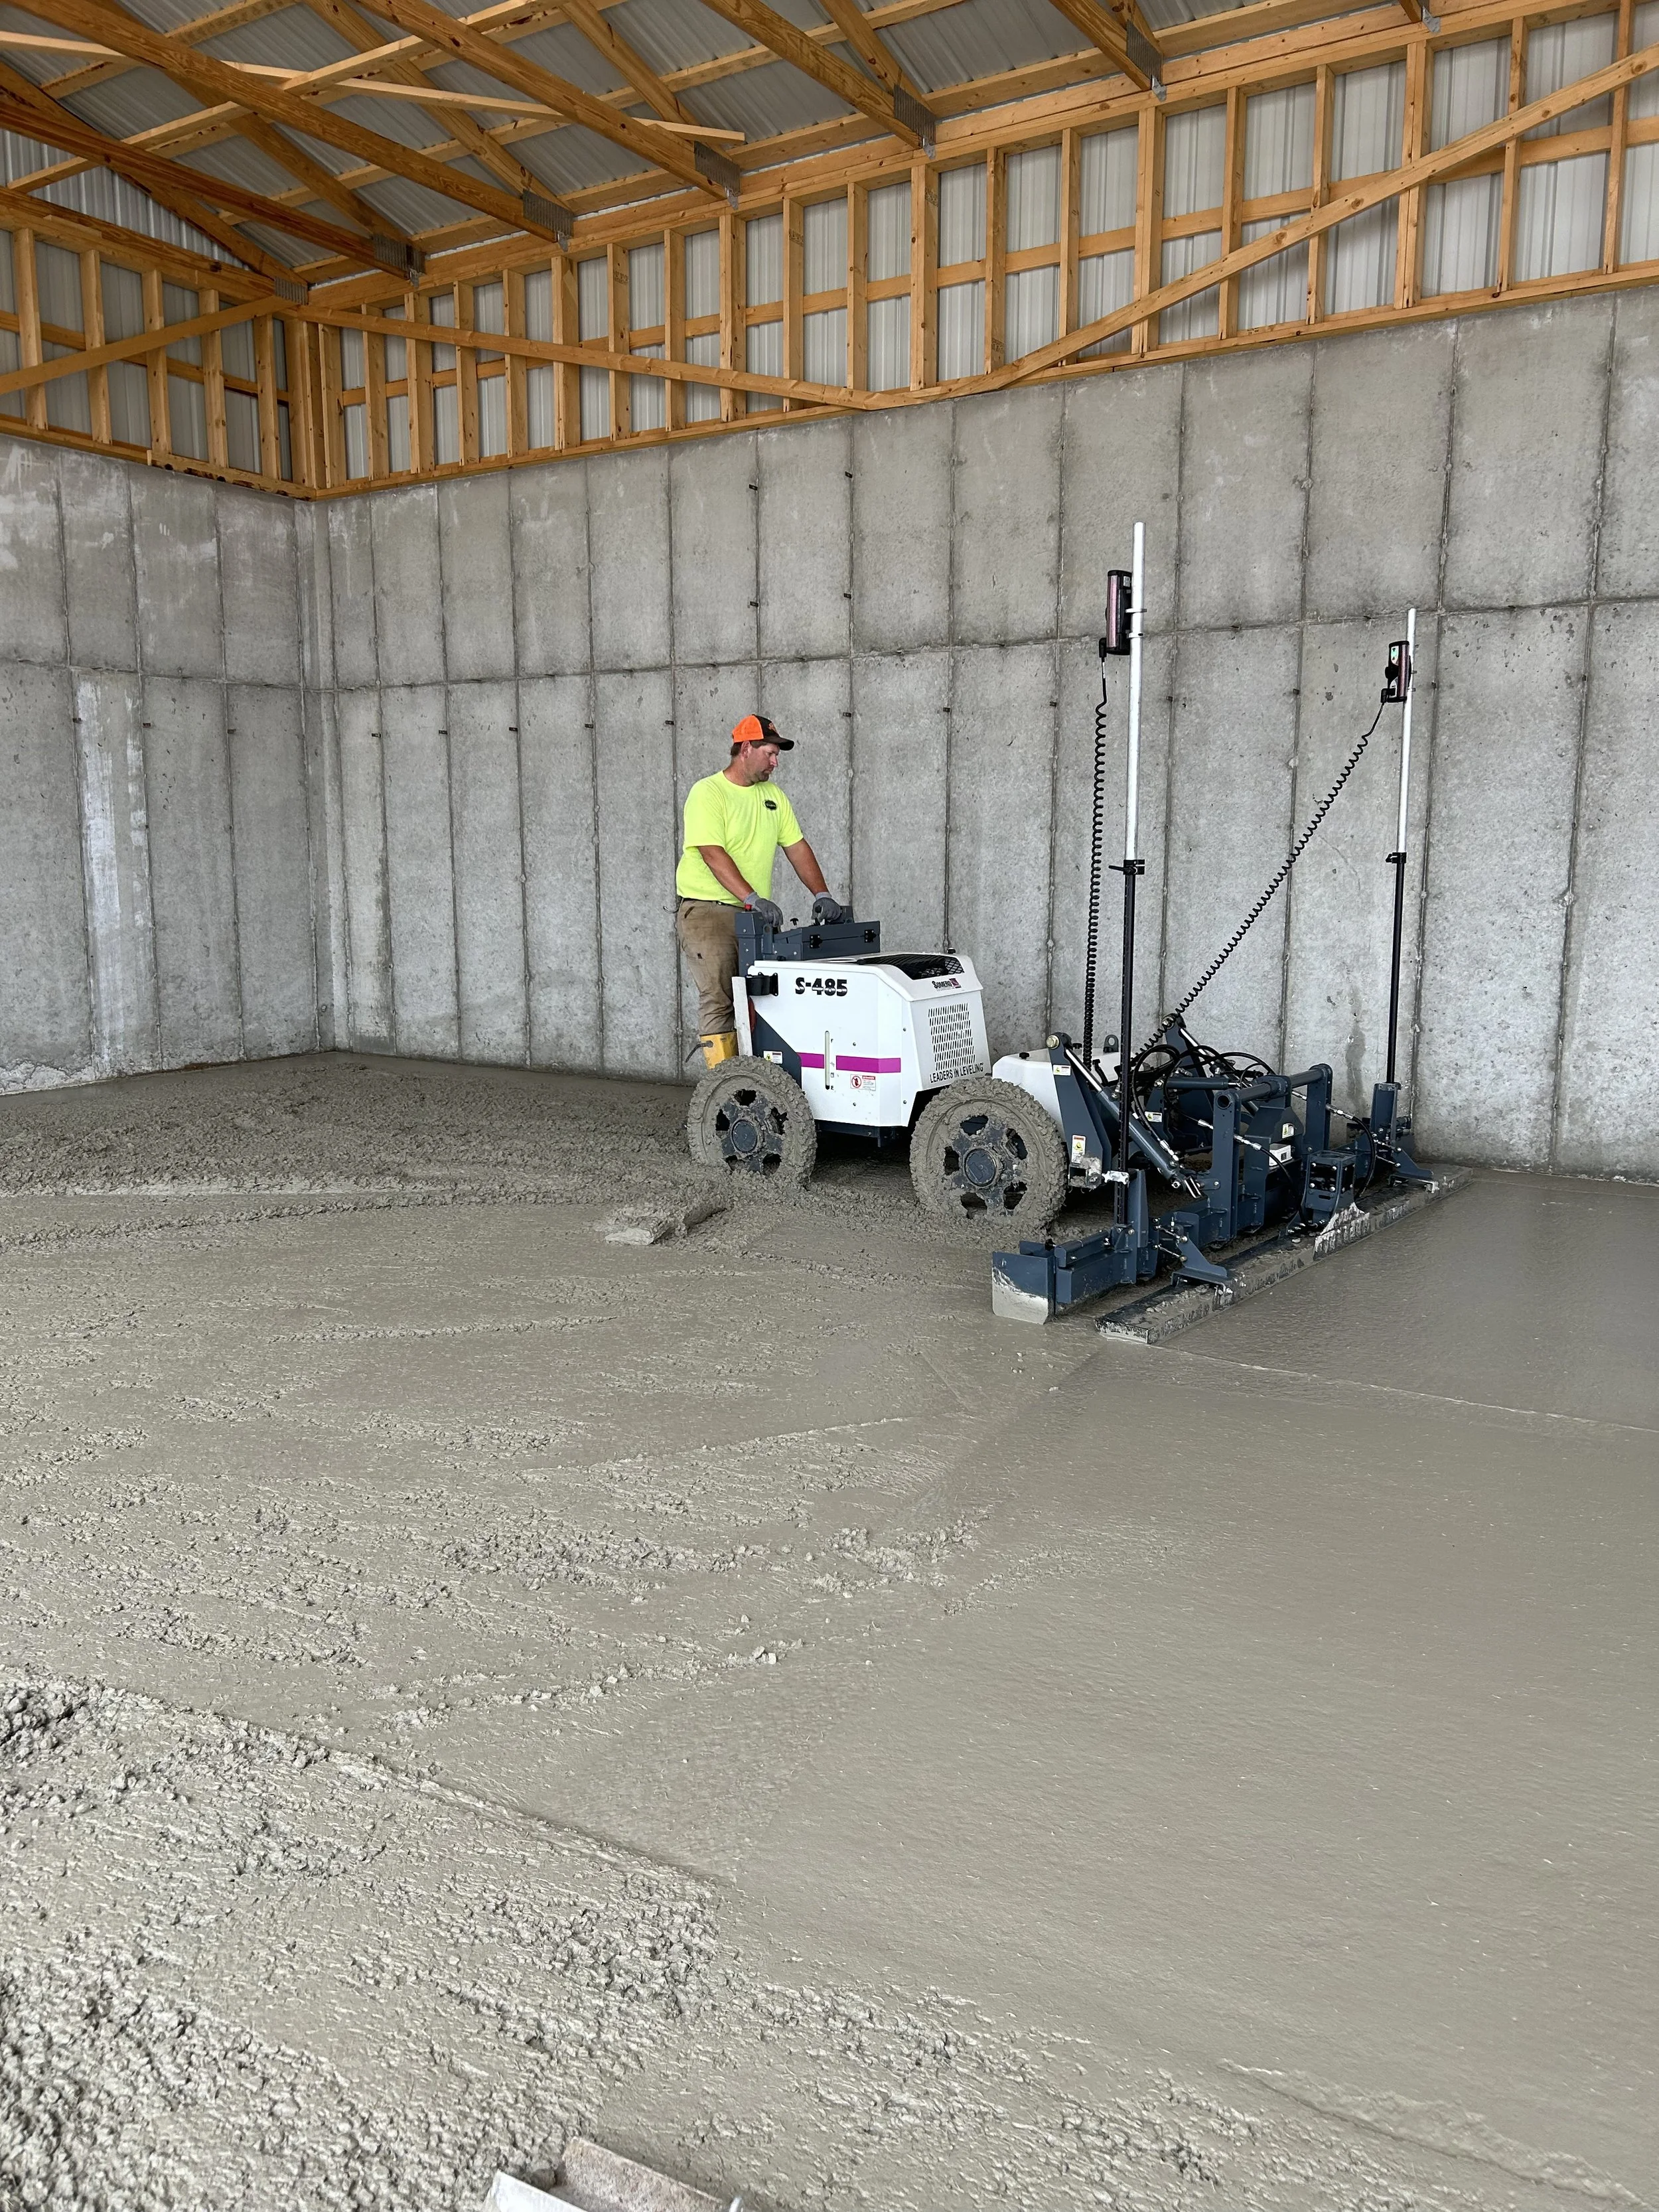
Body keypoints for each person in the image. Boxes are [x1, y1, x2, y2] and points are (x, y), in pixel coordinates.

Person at [676, 713, 851, 1069]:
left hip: (752, 916)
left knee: (763, 996)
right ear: (745, 749)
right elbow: (712, 853)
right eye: (770, 753)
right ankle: (724, 1086)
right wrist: (752, 898)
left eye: (777, 755)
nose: (775, 762)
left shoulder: (773, 796)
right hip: (708, 911)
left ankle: (759, 1080)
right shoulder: (708, 793)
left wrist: (822, 894)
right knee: (721, 997)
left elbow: (797, 847)